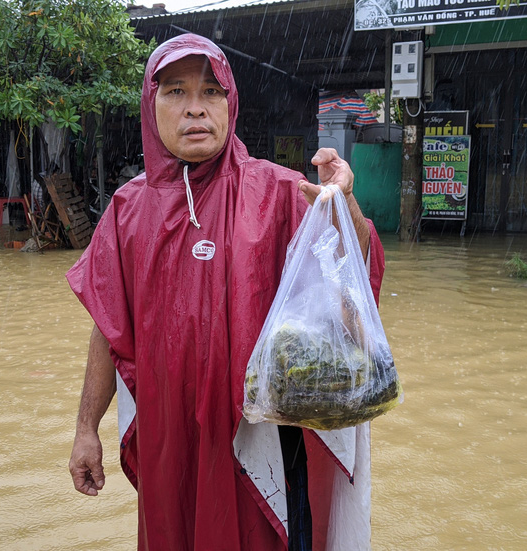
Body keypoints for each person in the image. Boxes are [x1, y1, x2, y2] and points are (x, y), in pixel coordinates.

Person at [66, 34, 384, 551]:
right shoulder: (127, 211)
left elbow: (355, 274)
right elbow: (109, 327)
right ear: (152, 107)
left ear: (229, 105)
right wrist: (86, 430)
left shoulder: (280, 191)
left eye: (211, 92)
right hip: (172, 446)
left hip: (262, 449)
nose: (195, 108)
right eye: (175, 91)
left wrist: (343, 207)